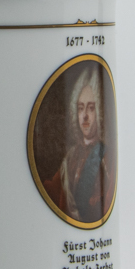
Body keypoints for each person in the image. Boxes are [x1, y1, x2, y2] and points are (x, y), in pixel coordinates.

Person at [43, 65, 115, 223]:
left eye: (91, 108)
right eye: (81, 108)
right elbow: (53, 192)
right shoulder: (71, 157)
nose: (85, 116)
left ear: (99, 112)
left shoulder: (107, 157)